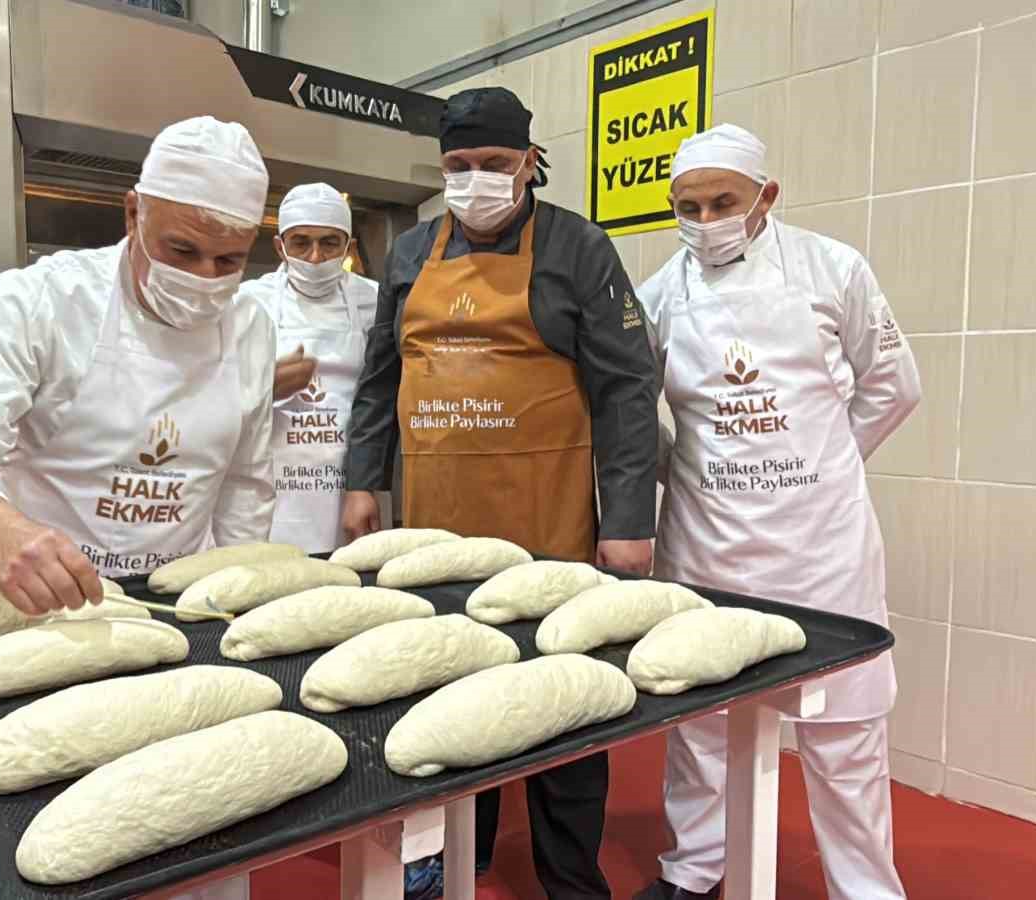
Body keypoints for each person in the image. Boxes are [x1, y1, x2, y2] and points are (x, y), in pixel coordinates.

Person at [0, 116, 277, 900]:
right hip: (33, 621)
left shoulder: (252, 328)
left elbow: (246, 484)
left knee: (191, 849)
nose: (205, 276)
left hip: (167, 628)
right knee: (40, 850)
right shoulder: (41, 301)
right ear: (132, 213)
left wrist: (229, 612)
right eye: (181, 250)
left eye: (229, 260)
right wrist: (0, 530)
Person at [343, 86, 659, 900]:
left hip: (547, 521)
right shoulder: (411, 253)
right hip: (438, 529)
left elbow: (628, 389)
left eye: (491, 164)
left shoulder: (580, 248)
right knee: (448, 692)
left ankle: (569, 879)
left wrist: (628, 521)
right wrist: (361, 480)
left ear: (528, 162)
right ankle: (458, 853)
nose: (475, 178)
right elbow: (381, 375)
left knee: (567, 701)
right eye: (458, 166)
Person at [632, 124, 921, 900]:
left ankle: (865, 888)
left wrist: (825, 468)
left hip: (822, 551)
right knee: (700, 726)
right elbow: (632, 414)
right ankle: (693, 870)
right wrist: (685, 469)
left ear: (766, 196)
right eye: (686, 206)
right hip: (706, 548)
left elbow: (895, 386)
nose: (704, 219)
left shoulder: (833, 269)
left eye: (722, 201)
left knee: (844, 732)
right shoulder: (660, 295)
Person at [235, 183, 381, 553]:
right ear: (279, 246)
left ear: (348, 247)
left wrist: (363, 484)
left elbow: (382, 396)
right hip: (272, 493)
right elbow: (208, 399)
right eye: (301, 242)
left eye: (329, 243)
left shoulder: (375, 301)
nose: (315, 256)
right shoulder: (248, 303)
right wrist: (263, 385)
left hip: (352, 487)